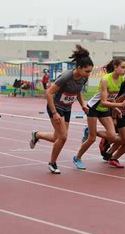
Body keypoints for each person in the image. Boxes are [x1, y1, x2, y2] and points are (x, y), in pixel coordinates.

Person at [29, 45, 93, 174]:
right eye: (87, 71)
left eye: (90, 71)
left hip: (67, 108)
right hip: (55, 107)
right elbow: (49, 93)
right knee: (63, 137)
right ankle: (52, 163)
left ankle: (37, 135)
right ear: (78, 68)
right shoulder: (66, 77)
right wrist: (54, 113)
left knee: (56, 137)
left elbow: (78, 91)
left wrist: (83, 105)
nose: (88, 74)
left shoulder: (84, 77)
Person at [73, 58, 125, 170]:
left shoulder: (120, 79)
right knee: (91, 139)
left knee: (111, 136)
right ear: (115, 67)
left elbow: (112, 96)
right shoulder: (105, 79)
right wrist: (121, 105)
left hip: (105, 109)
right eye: (123, 67)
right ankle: (77, 157)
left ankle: (91, 131)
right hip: (94, 108)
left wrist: (116, 107)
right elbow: (104, 102)